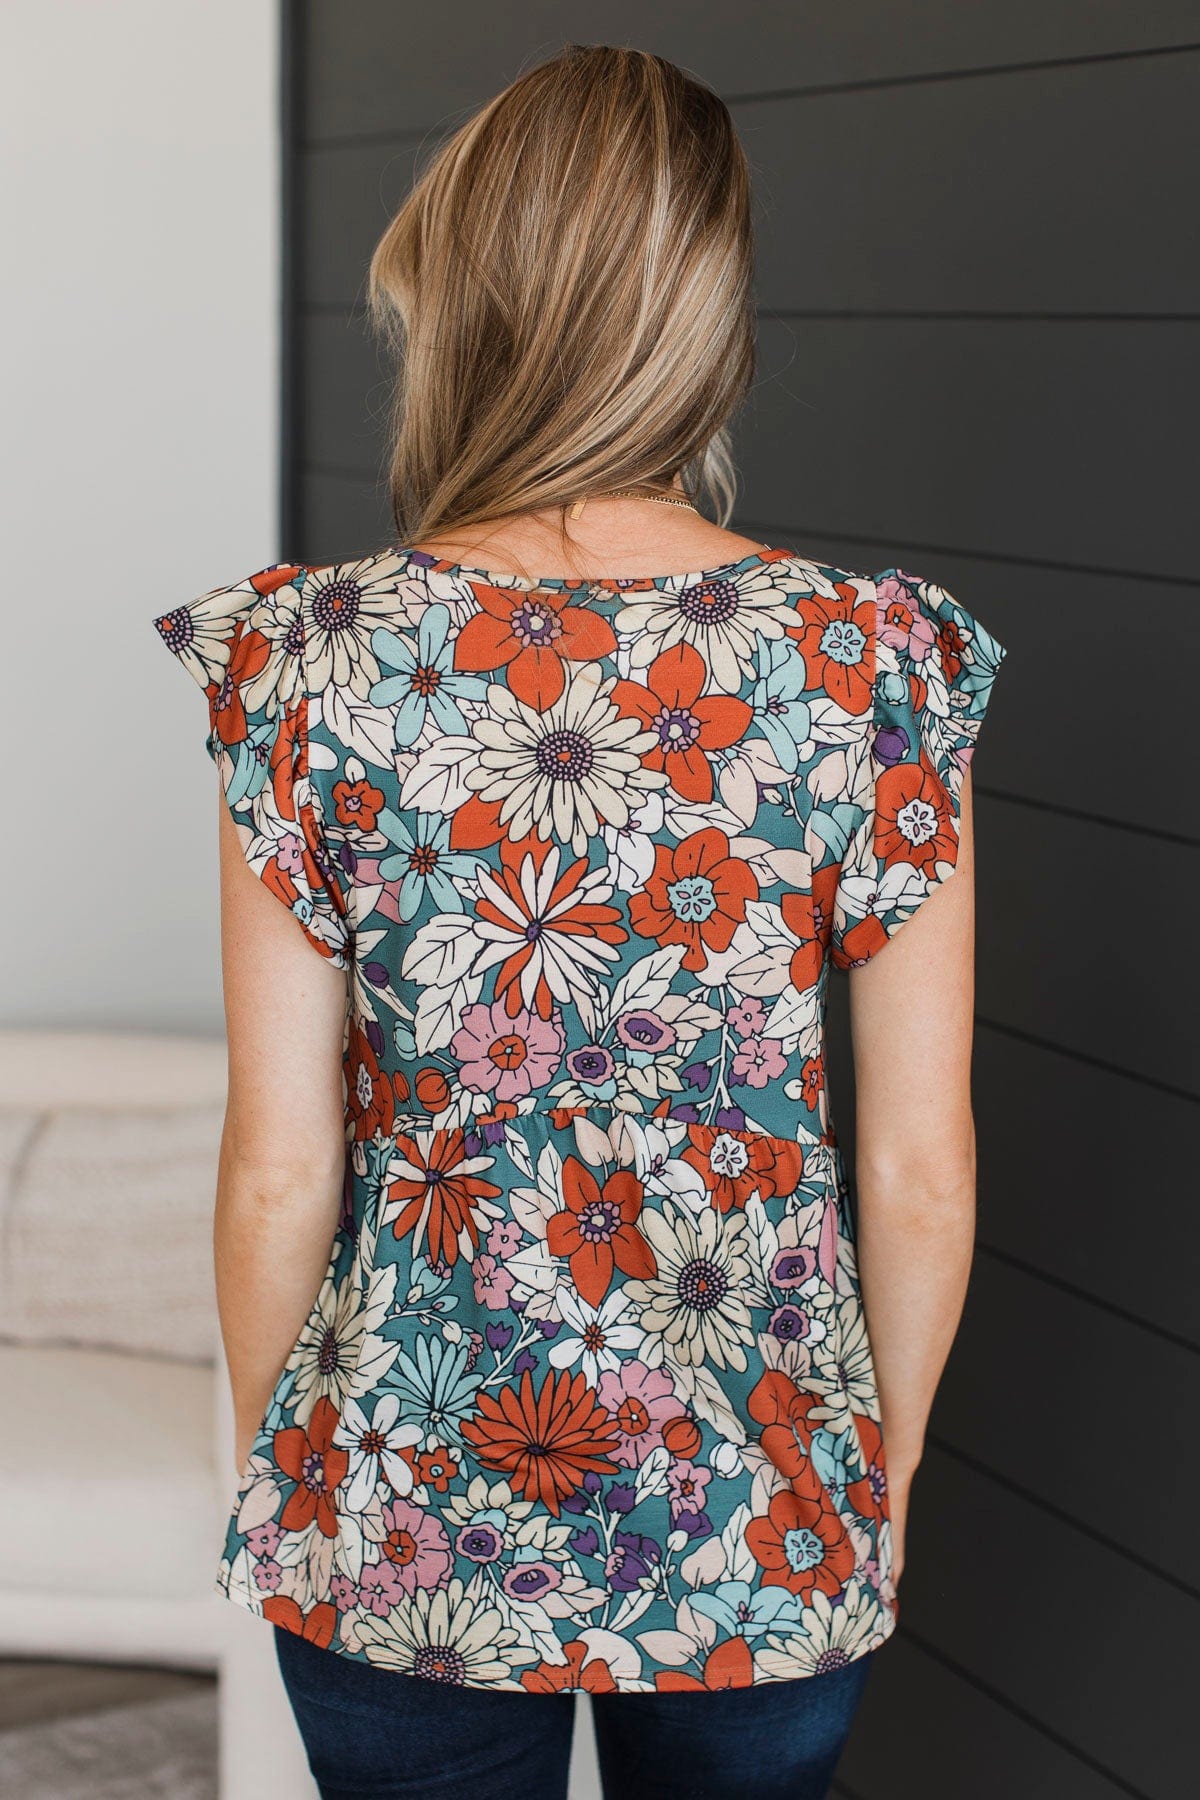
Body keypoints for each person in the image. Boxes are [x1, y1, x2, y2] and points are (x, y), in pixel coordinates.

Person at [151, 42, 1007, 1800]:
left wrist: (284, 1465)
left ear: (458, 303)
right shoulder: (868, 662)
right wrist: (887, 1463)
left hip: (401, 1504)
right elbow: (920, 1165)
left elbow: (277, 1165)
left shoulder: (310, 663)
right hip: (765, 1502)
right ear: (705, 317)